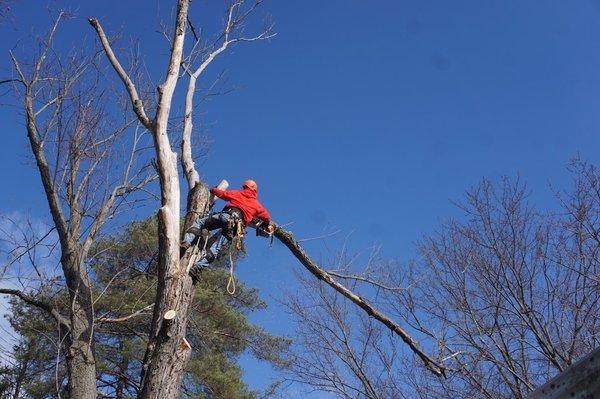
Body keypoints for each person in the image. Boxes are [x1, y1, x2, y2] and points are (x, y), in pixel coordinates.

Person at [184, 179, 274, 260]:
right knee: (215, 248)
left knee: (199, 222)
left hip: (226, 216)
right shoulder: (257, 205)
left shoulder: (238, 194)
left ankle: (187, 242)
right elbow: (267, 217)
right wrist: (268, 224)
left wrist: (213, 190)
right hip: (236, 228)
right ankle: (197, 268)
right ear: (255, 190)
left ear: (246, 187)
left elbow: (223, 194)